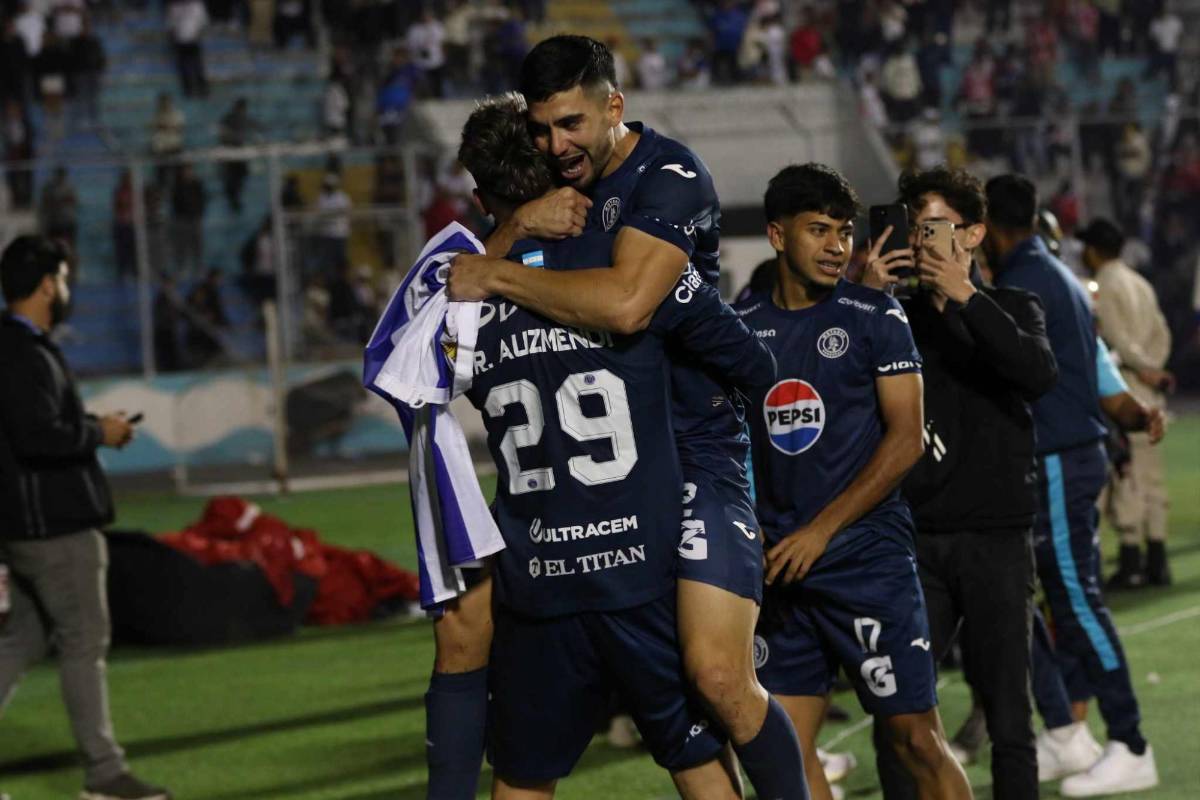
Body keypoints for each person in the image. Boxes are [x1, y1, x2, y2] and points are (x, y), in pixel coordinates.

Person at [448, 35, 808, 800]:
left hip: (697, 451)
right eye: (543, 130)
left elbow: (626, 304)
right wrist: (515, 231)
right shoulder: (557, 190)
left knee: (717, 674)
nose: (556, 146)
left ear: (615, 106)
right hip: (610, 471)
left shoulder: (668, 176)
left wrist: (496, 272)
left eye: (571, 124)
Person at [733, 163, 972, 800]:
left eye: (843, 231)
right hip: (781, 572)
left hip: (866, 562)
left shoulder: (876, 316)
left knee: (916, 741)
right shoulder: (739, 327)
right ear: (777, 235)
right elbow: (724, 443)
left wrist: (821, 531)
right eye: (819, 230)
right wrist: (751, 526)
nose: (837, 246)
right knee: (785, 753)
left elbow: (906, 439)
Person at [863, 166, 1057, 800]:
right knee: (898, 716)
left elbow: (1037, 374)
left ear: (973, 233)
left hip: (997, 539)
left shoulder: (1015, 306)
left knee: (1008, 717)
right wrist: (865, 299)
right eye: (912, 228)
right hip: (915, 540)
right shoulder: (894, 315)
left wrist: (966, 297)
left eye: (934, 228)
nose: (919, 241)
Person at [983, 174, 1158, 797]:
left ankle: (1130, 741)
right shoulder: (1053, 273)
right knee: (1025, 596)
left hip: (1057, 456)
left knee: (1076, 600)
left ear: (987, 226)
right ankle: (1066, 730)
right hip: (1061, 454)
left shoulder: (1027, 281)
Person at [0, 235, 171, 800]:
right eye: (64, 278)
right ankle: (103, 773)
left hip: (25, 526)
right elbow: (37, 436)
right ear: (48, 285)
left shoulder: (15, 346)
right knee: (84, 643)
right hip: (54, 527)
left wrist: (91, 426)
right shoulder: (23, 352)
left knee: (22, 641)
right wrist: (99, 432)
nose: (67, 288)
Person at [1077, 218, 1174, 588]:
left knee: (1128, 479)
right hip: (1150, 392)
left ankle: (1132, 560)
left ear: (1093, 250)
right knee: (1151, 478)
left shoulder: (1103, 285)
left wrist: (1142, 368)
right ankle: (1158, 557)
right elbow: (1162, 332)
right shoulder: (1140, 282)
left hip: (1123, 391)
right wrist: (1155, 366)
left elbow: (1114, 338)